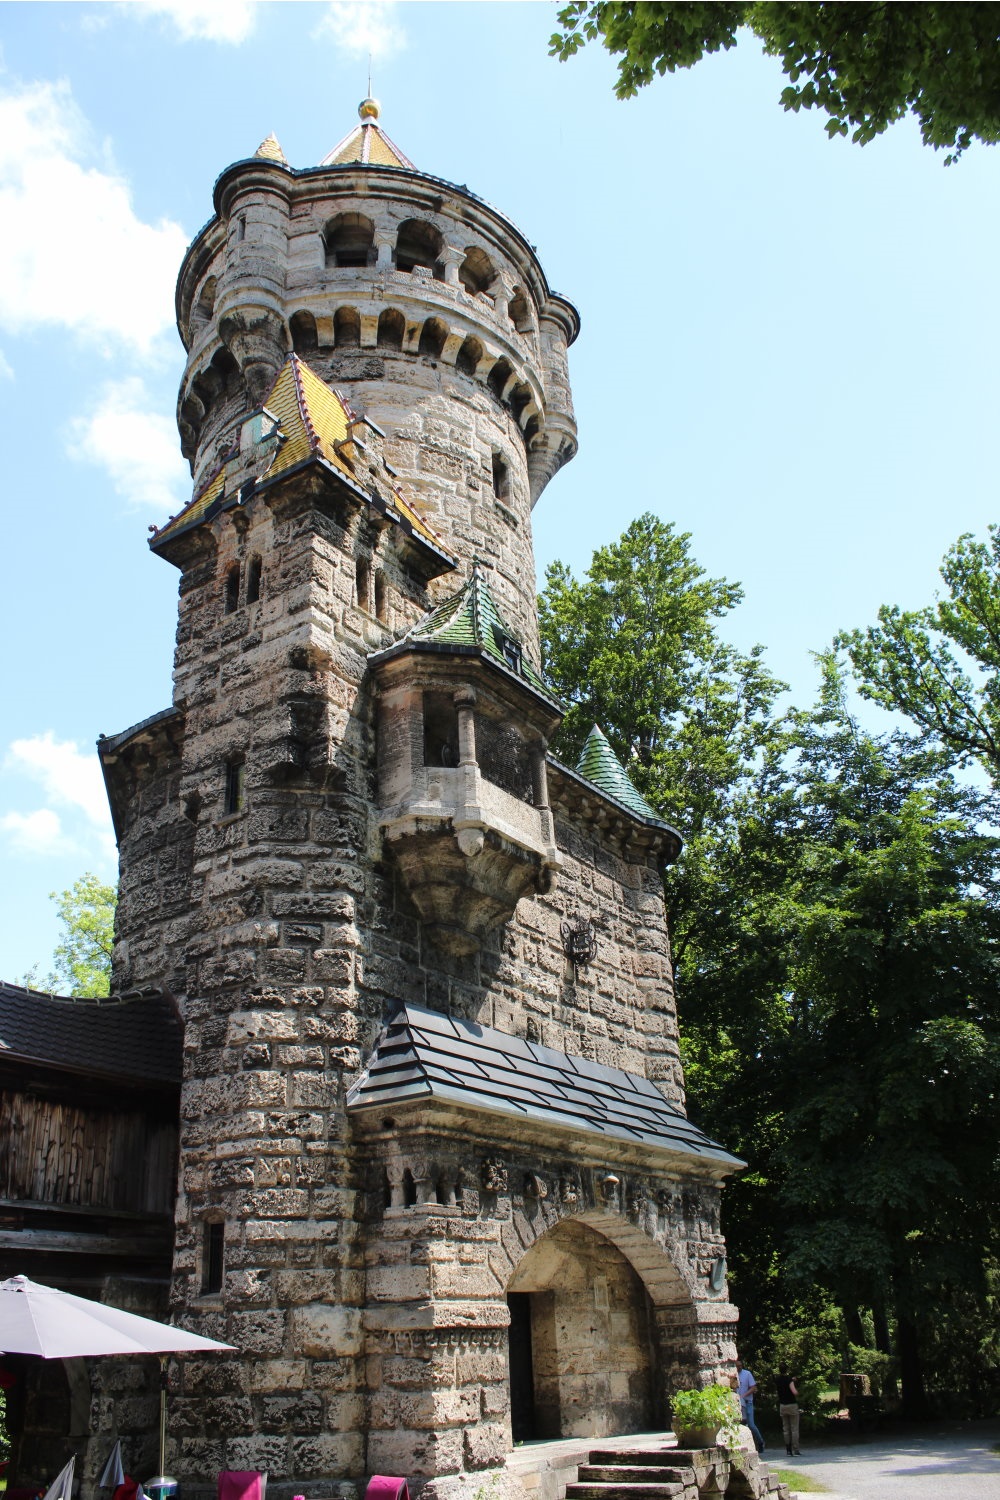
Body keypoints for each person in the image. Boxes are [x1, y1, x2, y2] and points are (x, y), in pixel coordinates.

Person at [735, 1357, 765, 1453]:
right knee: (739, 1424)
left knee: (751, 1424)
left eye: (740, 1366)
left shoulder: (747, 1374)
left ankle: (760, 1442)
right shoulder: (733, 1375)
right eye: (737, 1366)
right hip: (737, 1403)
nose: (739, 1368)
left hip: (747, 1402)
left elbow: (753, 1388)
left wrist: (744, 1395)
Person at [775, 1367, 802, 1455]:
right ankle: (796, 1449)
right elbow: (794, 1392)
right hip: (792, 1405)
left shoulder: (778, 1380)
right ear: (787, 1370)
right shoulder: (789, 1380)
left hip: (782, 1405)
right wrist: (798, 1393)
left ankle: (788, 1449)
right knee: (794, 1428)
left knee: (785, 1428)